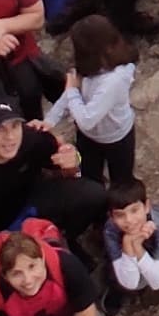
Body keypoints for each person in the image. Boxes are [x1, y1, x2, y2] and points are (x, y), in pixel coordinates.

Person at [0, 101, 109, 280]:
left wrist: (74, 160)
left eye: (15, 126)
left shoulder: (31, 139)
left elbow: (66, 161)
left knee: (93, 194)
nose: (10, 137)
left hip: (31, 206)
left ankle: (62, 237)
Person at [46, 19, 140, 189]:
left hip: (117, 138)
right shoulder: (87, 68)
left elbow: (87, 119)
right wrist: (50, 121)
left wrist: (73, 90)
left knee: (122, 183)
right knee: (88, 179)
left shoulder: (114, 80)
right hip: (88, 139)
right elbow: (69, 95)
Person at [95, 180, 159, 315]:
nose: (129, 220)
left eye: (134, 210)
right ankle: (117, 291)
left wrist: (137, 247)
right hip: (125, 256)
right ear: (112, 217)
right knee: (115, 274)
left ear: (146, 206)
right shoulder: (110, 230)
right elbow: (130, 282)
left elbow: (156, 282)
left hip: (156, 252)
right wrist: (127, 243)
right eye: (120, 215)